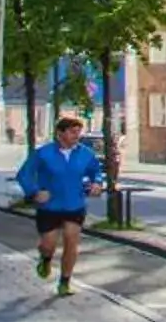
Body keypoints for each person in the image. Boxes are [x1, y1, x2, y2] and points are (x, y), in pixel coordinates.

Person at [15, 115, 105, 296]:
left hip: (75, 204)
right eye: (72, 132)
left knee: (72, 241)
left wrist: (97, 183)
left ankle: (65, 282)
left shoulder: (85, 153)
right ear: (60, 133)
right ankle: (46, 258)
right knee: (48, 244)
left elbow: (96, 171)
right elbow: (24, 174)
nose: (77, 136)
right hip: (50, 207)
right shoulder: (43, 154)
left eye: (78, 132)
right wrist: (34, 192)